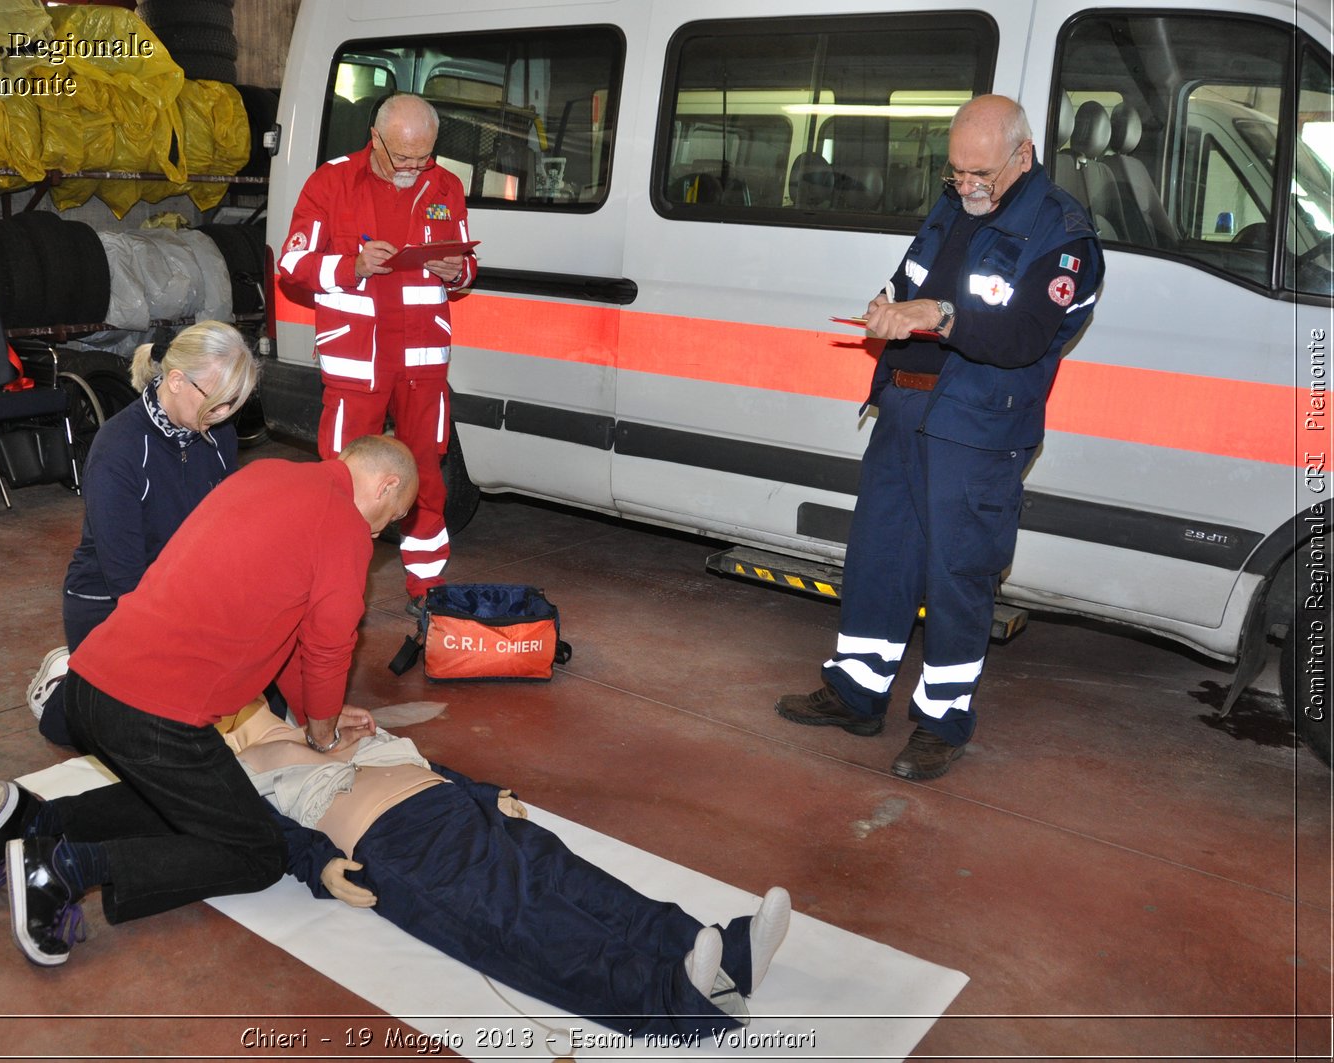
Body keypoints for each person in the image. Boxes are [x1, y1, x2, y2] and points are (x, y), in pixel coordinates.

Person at [0, 436, 419, 966]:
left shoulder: (266, 475)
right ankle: (65, 869)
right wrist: (323, 738)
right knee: (256, 852)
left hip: (91, 685)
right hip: (152, 714)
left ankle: (28, 822)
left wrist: (310, 717)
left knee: (188, 798)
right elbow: (328, 646)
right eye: (388, 518)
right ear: (385, 483)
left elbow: (286, 633)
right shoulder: (344, 526)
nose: (378, 532)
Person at [775, 95, 1105, 780]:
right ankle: (857, 691)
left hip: (978, 429)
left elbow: (1021, 337)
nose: (966, 187)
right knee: (878, 556)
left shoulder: (1064, 235)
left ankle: (942, 721)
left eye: (980, 174)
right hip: (905, 408)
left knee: (958, 576)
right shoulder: (955, 203)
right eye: (955, 173)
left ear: (1024, 156)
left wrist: (941, 314)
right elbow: (914, 274)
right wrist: (889, 304)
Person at [226, 711, 792, 1039]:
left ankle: (724, 955)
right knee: (525, 923)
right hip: (398, 844)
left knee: (579, 882)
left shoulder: (320, 714)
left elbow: (420, 764)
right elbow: (271, 834)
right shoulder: (233, 771)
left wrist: (482, 791)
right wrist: (319, 865)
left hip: (450, 805)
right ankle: (666, 998)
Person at [278, 93, 477, 614]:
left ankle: (428, 589)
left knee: (426, 473)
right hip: (356, 363)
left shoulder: (446, 185)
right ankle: (329, 591)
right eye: (404, 157)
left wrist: (460, 275)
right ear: (376, 139)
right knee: (344, 479)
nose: (415, 168)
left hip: (424, 362)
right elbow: (292, 266)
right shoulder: (332, 182)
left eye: (424, 157)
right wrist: (352, 266)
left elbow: (463, 262)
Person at [28, 321, 260, 747]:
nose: (225, 415)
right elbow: (126, 579)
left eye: (235, 404)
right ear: (175, 381)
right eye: (220, 402)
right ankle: (63, 686)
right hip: (113, 602)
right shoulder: (119, 449)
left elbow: (225, 528)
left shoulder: (218, 433)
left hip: (183, 594)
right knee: (136, 741)